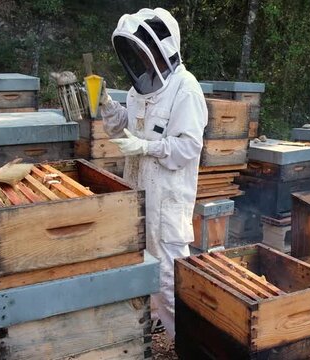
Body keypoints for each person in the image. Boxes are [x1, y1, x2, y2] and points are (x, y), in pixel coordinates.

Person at [100, 8, 207, 339]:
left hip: (168, 203)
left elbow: (189, 147)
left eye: (146, 55)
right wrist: (105, 103)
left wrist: (148, 148)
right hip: (139, 194)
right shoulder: (138, 91)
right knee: (142, 267)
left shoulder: (186, 89)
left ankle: (188, 343)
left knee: (170, 277)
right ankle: (156, 324)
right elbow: (123, 129)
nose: (143, 64)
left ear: (164, 50)